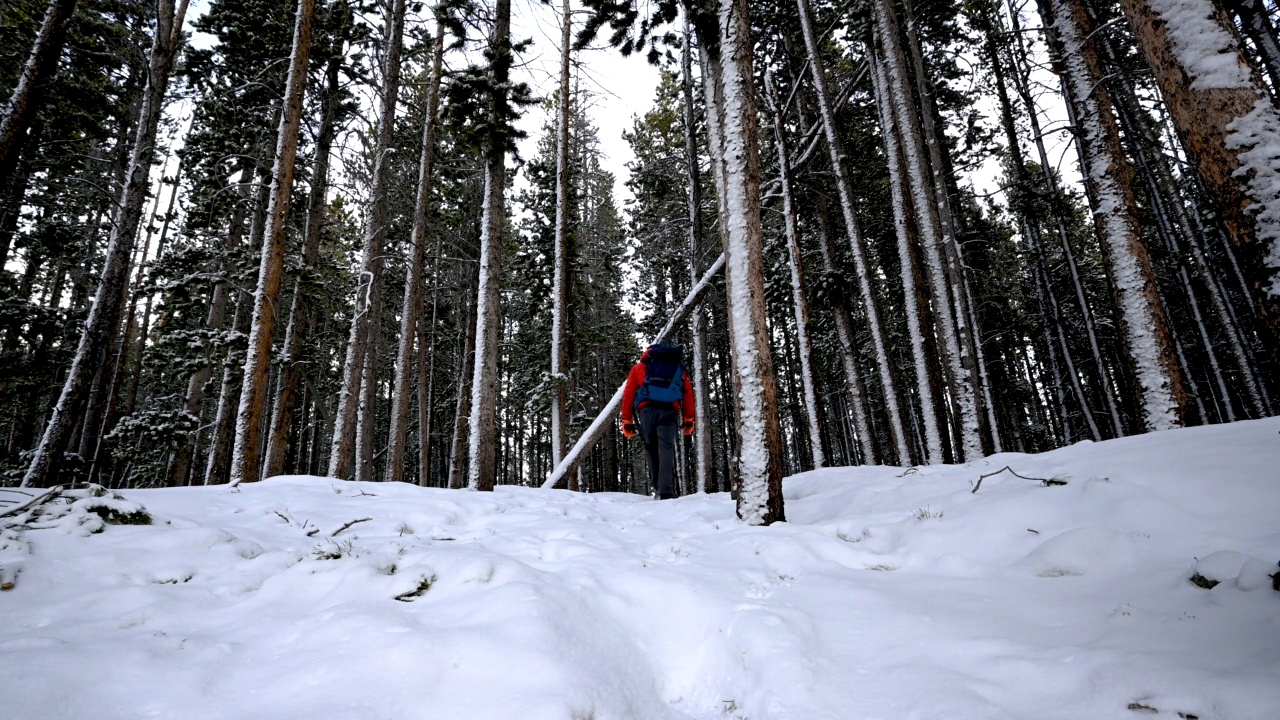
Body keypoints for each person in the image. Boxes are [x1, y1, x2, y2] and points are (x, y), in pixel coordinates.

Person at [620, 343, 695, 499]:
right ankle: (666, 491)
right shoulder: (676, 368)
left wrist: (626, 419)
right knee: (666, 449)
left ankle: (657, 488)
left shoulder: (639, 368)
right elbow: (687, 392)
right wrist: (689, 418)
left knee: (651, 448)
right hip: (670, 411)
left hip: (647, 411)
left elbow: (629, 394)